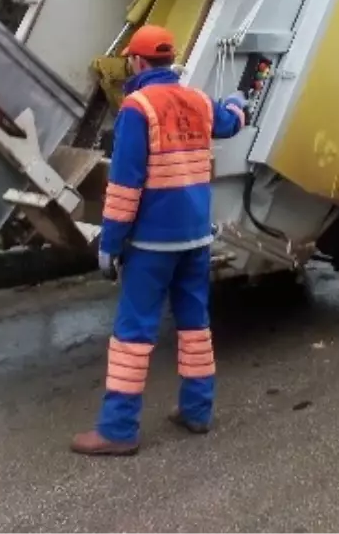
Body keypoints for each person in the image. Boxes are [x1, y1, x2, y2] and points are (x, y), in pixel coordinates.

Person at [71, 24, 246, 456]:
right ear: (170, 61)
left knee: (133, 332)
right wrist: (241, 104)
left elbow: (125, 185)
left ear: (137, 62)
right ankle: (197, 411)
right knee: (194, 325)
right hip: (194, 239)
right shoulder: (198, 100)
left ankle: (118, 429)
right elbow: (230, 122)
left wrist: (110, 244)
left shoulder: (137, 107)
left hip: (151, 245)